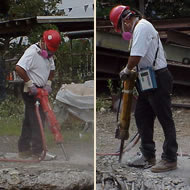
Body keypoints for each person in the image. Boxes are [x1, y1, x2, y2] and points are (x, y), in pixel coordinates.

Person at [110, 5, 178, 172]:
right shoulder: (139, 30)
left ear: (126, 21)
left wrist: (126, 70)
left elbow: (136, 56)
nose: (122, 32)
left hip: (158, 77)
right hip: (147, 79)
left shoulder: (141, 27)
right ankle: (148, 155)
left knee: (165, 119)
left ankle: (170, 158)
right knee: (142, 115)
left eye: (120, 28)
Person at [15, 29, 61, 159]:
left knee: (29, 120)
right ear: (43, 42)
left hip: (42, 89)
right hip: (30, 90)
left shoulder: (49, 55)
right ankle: (37, 151)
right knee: (38, 119)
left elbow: (52, 69)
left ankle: (24, 149)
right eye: (50, 49)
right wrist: (30, 84)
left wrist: (49, 83)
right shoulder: (31, 52)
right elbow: (19, 68)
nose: (51, 52)